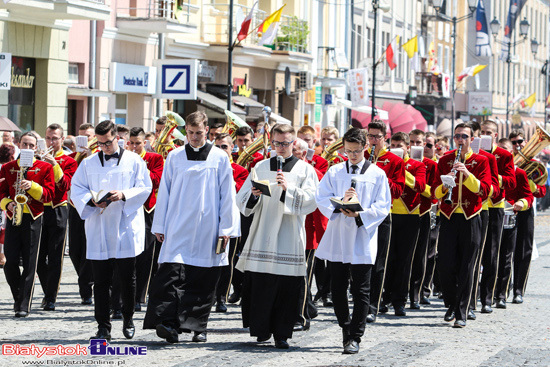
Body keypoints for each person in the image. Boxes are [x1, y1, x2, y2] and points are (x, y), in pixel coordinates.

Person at [144, 111, 240, 344]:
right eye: (190, 133)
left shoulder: (219, 157)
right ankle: (168, 323)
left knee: (203, 277)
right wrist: (160, 224)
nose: (194, 137)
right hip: (177, 224)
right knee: (170, 275)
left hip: (208, 226)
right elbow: (164, 192)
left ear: (207, 131)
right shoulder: (175, 156)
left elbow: (227, 195)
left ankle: (198, 327)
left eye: (199, 133)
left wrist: (226, 228)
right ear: (185, 131)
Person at [236, 123, 318, 349]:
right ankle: (261, 330)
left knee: (286, 286)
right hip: (263, 230)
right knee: (262, 282)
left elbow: (311, 200)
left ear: (294, 143)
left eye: (286, 143)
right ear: (271, 142)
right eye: (277, 143)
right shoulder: (261, 167)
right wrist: (253, 196)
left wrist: (287, 190)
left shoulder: (304, 169)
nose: (281, 147)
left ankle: (282, 333)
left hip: (289, 232)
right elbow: (242, 199)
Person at [71, 120, 152, 341]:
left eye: (107, 143)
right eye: (100, 144)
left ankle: (128, 317)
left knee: (127, 278)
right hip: (100, 224)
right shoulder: (88, 164)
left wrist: (124, 195)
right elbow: (76, 188)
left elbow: (146, 186)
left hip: (125, 225)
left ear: (117, 138)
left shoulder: (135, 161)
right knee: (101, 280)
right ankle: (103, 326)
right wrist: (91, 200)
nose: (104, 148)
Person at [315, 127, 391, 354]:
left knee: (361, 289)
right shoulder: (335, 171)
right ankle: (344, 327)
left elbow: (383, 206)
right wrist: (338, 206)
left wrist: (360, 213)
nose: (353, 156)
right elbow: (321, 196)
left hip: (362, 236)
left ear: (365, 148)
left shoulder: (377, 174)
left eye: (357, 151)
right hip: (339, 234)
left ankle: (356, 335)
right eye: (348, 151)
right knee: (337, 287)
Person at [432, 123, 491, 328]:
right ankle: (452, 303)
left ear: (472, 139)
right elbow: (434, 193)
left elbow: (485, 190)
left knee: (467, 266)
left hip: (471, 217)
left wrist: (466, 174)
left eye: (464, 136)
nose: (460, 140)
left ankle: (462, 312)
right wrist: (444, 185)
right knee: (445, 265)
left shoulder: (482, 161)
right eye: (457, 136)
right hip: (448, 217)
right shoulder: (445, 160)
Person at [0, 131, 55, 317]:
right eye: (25, 144)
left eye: (32, 145)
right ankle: (18, 297)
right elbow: (0, 192)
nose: (28, 148)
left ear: (36, 148)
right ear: (18, 144)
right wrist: (8, 203)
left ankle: (24, 304)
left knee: (30, 263)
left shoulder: (44, 168)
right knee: (10, 263)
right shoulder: (8, 167)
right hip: (13, 216)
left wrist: (31, 186)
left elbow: (49, 194)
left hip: (33, 217)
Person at [363, 120, 405, 322]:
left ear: (385, 138)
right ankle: (361, 302)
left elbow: (398, 190)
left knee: (379, 262)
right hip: (361, 213)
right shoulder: (360, 156)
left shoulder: (395, 161)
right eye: (369, 136)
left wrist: (377, 174)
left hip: (382, 215)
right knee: (361, 260)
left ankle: (373, 305)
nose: (372, 141)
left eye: (376, 137)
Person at [475, 121, 516, 315]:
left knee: (492, 254)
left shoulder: (504, 155)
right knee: (474, 252)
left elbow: (511, 181)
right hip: (477, 206)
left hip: (495, 206)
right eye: (482, 132)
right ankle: (470, 295)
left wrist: (494, 176)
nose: (485, 135)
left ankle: (487, 298)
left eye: (488, 132)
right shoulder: (474, 152)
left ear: (495, 135)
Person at [383, 132, 426, 316]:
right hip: (389, 213)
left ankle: (400, 300)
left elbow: (421, 187)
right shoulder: (386, 162)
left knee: (405, 261)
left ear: (407, 147)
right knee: (387, 259)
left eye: (400, 145)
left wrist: (402, 170)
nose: (396, 148)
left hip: (409, 215)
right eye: (393, 145)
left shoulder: (417, 165)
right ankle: (383, 298)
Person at [36, 124, 78, 311]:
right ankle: (48, 291)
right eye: (48, 138)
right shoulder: (38, 159)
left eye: (55, 138)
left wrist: (54, 164)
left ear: (62, 140)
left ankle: (51, 297)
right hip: (37, 209)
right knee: (37, 257)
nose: (51, 142)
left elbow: (66, 185)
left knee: (55, 256)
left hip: (58, 209)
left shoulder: (69, 161)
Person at [128, 127, 164, 311]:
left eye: (138, 143)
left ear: (145, 144)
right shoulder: (123, 159)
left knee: (146, 255)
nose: (134, 147)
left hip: (148, 209)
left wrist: (139, 164)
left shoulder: (154, 158)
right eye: (131, 143)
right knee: (129, 254)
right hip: (129, 209)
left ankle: (140, 296)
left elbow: (156, 181)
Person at [494, 138, 533, 308]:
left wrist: (521, 203)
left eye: (506, 150)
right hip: (489, 215)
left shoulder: (519, 173)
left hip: (511, 215)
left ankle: (504, 294)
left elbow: (528, 195)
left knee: (507, 256)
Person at [213, 133, 248, 313]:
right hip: (211, 219)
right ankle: (209, 294)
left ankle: (221, 297)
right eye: (217, 146)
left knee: (227, 260)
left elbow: (241, 192)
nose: (220, 150)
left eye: (224, 147)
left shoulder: (240, 170)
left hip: (231, 221)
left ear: (231, 149)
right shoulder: (209, 166)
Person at [509, 130, 546, 303]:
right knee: (505, 250)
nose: (518, 145)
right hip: (507, 208)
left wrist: (528, 180)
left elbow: (541, 192)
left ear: (525, 142)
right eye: (514, 142)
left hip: (526, 209)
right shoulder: (507, 163)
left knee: (524, 250)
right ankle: (502, 288)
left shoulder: (535, 165)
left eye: (520, 142)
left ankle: (518, 290)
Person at [297, 125, 330, 308]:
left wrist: (307, 167)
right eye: (300, 140)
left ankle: (308, 301)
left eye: (307, 141)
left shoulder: (320, 161)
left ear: (313, 141)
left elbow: (322, 182)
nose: (304, 144)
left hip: (311, 220)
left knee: (310, 265)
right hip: (296, 217)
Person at [292, 138, 322, 330]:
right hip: (288, 232)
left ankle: (302, 316)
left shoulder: (315, 173)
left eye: (293, 150)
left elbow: (318, 208)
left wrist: (321, 236)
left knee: (302, 277)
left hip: (308, 235)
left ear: (303, 153)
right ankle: (308, 308)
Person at [408, 129, 438, 309]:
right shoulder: (402, 162)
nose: (415, 146)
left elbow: (433, 193)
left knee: (421, 255)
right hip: (403, 212)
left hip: (422, 211)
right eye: (412, 142)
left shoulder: (431, 165)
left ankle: (417, 294)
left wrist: (412, 180)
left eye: (419, 143)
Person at [68, 123, 97, 305]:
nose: (84, 140)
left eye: (88, 136)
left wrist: (90, 157)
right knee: (75, 250)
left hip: (92, 205)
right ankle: (86, 279)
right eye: (81, 136)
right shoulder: (71, 158)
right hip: (73, 205)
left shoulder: (98, 158)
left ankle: (85, 288)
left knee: (88, 248)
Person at [420, 131, 442, 303]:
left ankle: (424, 289)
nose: (425, 148)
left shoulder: (439, 164)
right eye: (422, 144)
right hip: (411, 209)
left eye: (429, 145)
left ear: (435, 148)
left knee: (429, 252)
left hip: (433, 209)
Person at [0, 143, 16, 268]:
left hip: (4, 202)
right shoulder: (7, 167)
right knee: (3, 229)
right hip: (4, 202)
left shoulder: (8, 167)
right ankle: (2, 255)